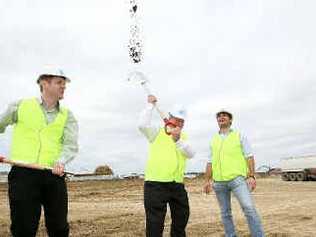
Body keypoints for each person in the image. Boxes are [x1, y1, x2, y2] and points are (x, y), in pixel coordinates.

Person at [0, 67, 78, 237]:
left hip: (53, 175)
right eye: (59, 82)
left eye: (64, 84)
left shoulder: (67, 115)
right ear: (44, 83)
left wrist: (61, 161)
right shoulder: (20, 106)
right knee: (23, 228)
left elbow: (71, 145)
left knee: (59, 228)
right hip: (23, 176)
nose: (63, 87)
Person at [139, 95, 195, 237]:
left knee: (182, 217)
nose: (180, 123)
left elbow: (190, 153)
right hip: (156, 184)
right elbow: (142, 125)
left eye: (182, 121)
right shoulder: (156, 131)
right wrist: (150, 106)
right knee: (155, 224)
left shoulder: (184, 137)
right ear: (170, 117)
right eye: (177, 119)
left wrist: (177, 140)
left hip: (177, 185)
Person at [203, 110, 264, 237]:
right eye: (219, 116)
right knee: (225, 213)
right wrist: (207, 180)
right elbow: (210, 162)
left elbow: (249, 156)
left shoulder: (239, 135)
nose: (221, 117)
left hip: (237, 180)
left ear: (230, 120)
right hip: (219, 183)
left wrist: (252, 175)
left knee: (248, 208)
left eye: (224, 115)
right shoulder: (213, 140)